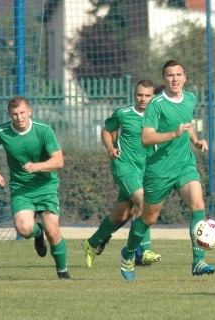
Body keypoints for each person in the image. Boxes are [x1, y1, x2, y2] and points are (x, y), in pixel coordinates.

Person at [118, 60, 211, 281]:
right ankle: (129, 253)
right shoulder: (156, 105)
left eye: (179, 74)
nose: (175, 79)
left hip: (184, 165)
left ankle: (198, 261)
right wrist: (173, 134)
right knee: (149, 219)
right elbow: (146, 137)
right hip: (159, 171)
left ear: (185, 77)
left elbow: (186, 124)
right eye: (170, 75)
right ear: (164, 79)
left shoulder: (190, 99)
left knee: (198, 204)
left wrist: (196, 141)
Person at [0, 96, 70, 279]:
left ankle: (62, 271)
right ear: (9, 115)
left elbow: (59, 161)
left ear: (30, 112)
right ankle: (37, 233)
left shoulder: (44, 130)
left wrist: (37, 166)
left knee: (53, 231)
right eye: (15, 114)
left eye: (23, 113)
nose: (19, 117)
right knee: (24, 229)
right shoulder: (1, 131)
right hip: (21, 188)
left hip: (45, 186)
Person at [81, 79, 161, 268]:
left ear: (153, 97)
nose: (143, 99)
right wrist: (110, 147)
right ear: (134, 95)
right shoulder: (123, 114)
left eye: (147, 95)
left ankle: (91, 243)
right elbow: (107, 131)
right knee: (145, 202)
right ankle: (142, 252)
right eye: (139, 94)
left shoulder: (159, 118)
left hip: (145, 172)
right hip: (124, 167)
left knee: (120, 216)